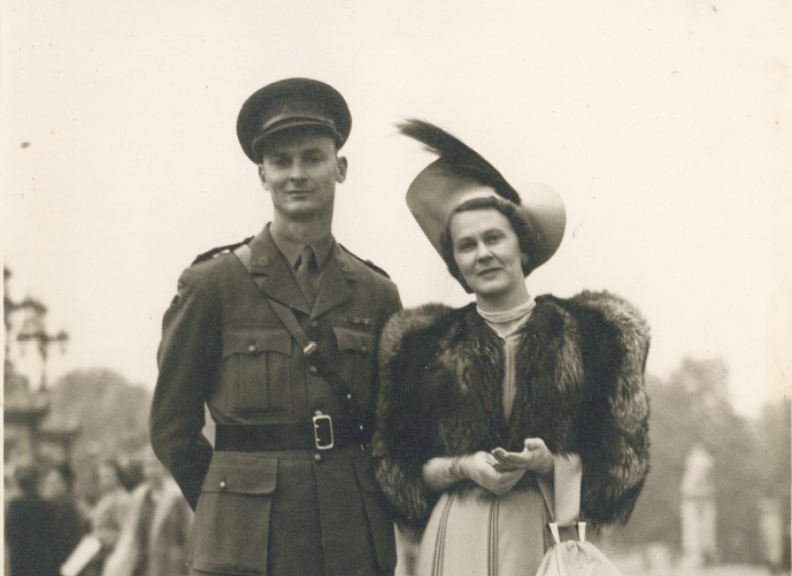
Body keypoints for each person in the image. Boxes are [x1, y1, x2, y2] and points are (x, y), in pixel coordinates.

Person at [373, 120, 651, 576]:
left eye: (494, 238)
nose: (482, 253)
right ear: (457, 266)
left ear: (522, 248)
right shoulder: (421, 348)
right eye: (466, 246)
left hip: (545, 539)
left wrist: (550, 463)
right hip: (454, 536)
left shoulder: (591, 337)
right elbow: (399, 469)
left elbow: (622, 466)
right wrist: (465, 467)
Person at [151, 78, 402, 576]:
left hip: (352, 537)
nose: (296, 174)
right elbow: (171, 429)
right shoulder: (213, 284)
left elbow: (390, 426)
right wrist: (231, 503)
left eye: (312, 158)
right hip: (244, 548)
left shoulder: (377, 294)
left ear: (341, 167)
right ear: (262, 175)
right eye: (281, 162)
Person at [101, 449, 192, 576]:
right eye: (148, 466)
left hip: (170, 566)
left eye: (156, 465)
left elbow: (190, 534)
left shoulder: (177, 497)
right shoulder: (140, 496)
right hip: (145, 565)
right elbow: (130, 535)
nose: (151, 471)